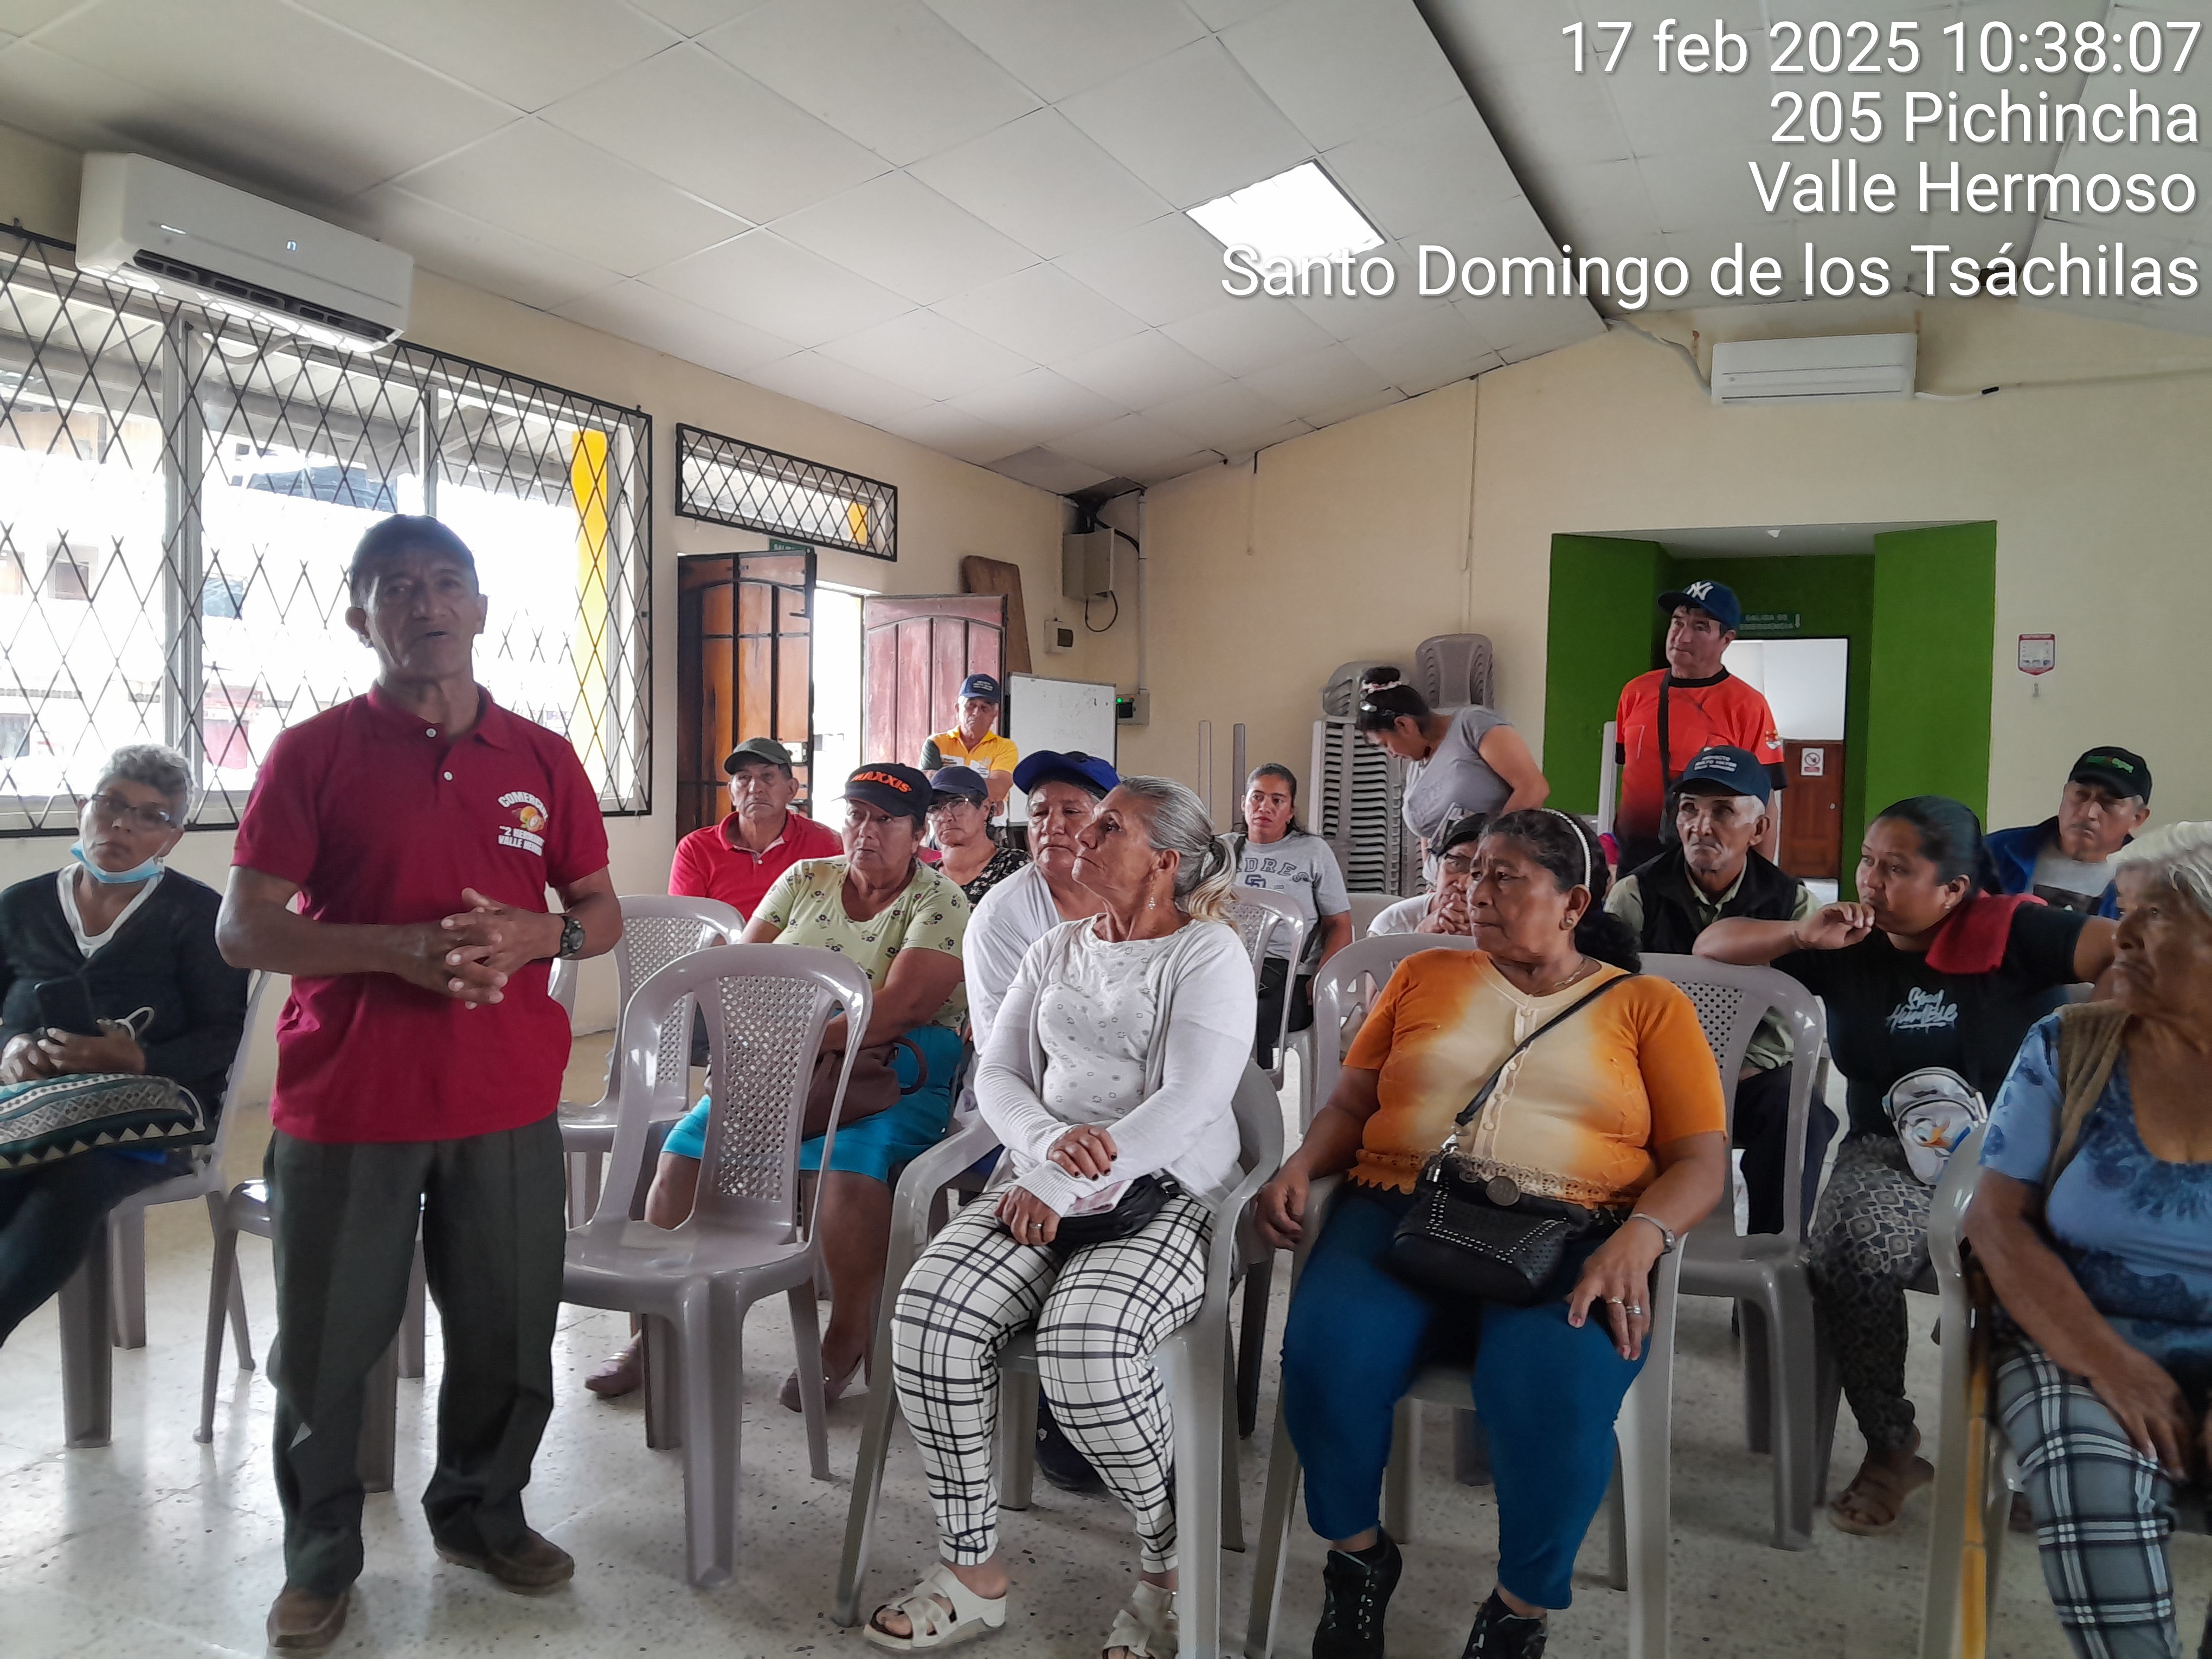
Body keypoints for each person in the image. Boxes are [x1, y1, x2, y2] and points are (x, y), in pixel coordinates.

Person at [217, 515, 621, 1651]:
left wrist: (543, 936)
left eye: (447, 583)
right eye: (396, 588)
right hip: (349, 1101)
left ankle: (483, 1516)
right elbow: (243, 929)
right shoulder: (313, 753)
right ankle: (320, 1559)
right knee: (326, 1351)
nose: (426, 604)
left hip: (505, 1097)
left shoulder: (542, 758)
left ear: (481, 609)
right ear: (361, 617)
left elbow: (596, 912)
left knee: (507, 1334)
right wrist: (391, 950)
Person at [1256, 808, 1727, 1659]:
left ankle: (1518, 1610)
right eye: (1472, 873)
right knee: (1328, 1358)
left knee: (1552, 1392)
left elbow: (1700, 1160)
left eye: (1505, 877)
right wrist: (1301, 1164)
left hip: (1577, 1236)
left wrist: (1643, 1236)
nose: (1477, 892)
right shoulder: (1422, 975)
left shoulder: (1648, 1006)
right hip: (1399, 1207)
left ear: (1574, 903)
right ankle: (1358, 1561)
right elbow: (1352, 1105)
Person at [864, 777, 1253, 1658]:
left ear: (1164, 862)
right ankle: (971, 1571)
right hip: (1042, 1178)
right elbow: (999, 1074)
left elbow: (1190, 1104)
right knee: (929, 1316)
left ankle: (1169, 1568)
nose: (1081, 832)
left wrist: (1071, 1180)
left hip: (1166, 1191)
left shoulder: (1208, 955)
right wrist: (1046, 1150)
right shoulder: (1057, 946)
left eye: (1109, 826)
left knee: (1086, 1350)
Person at [1695, 797, 2117, 1535]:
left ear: (1954, 889)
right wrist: (1799, 932)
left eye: (1896, 868)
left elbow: (2128, 948)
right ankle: (1892, 1445)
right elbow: (1712, 946)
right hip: (1889, 1153)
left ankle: (2030, 1451)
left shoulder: (2011, 932)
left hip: (2013, 1160)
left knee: (2057, 1258)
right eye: (1867, 861)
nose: (1871, 880)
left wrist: (2086, 1046)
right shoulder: (1847, 940)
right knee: (1850, 1247)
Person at [641, 763, 967, 1413]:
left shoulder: (939, 900)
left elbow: (901, 1008)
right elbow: (738, 969)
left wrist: (797, 1039)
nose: (865, 831)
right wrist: (776, 1043)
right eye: (856, 815)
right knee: (683, 1154)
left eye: (886, 820)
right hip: (785, 1062)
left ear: (918, 833)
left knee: (843, 1170)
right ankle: (657, 1328)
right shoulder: (805, 879)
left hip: (891, 1073)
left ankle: (846, 1332)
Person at [1966, 822, 2212, 1659]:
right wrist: (2107, 1360)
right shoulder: (2068, 1046)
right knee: (2092, 1474)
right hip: (2072, 1336)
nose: (2121, 934)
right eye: (2122, 909)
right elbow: (1996, 1219)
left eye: (2155, 916)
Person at [0, 745, 249, 1346]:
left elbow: (224, 1037)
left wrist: (140, 1059)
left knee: (75, 1178)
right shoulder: (21, 908)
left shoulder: (198, 917)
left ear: (173, 838)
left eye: (151, 816)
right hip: (29, 1110)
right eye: (111, 805)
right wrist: (9, 1050)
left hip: (150, 1125)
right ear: (82, 809)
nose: (123, 825)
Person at [960, 748, 1120, 1496]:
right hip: (1034, 1116)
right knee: (1052, 1228)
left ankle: (1122, 1389)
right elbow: (1008, 1057)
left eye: (1072, 811)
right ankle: (1057, 1401)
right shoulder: (1005, 916)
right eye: (1040, 812)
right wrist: (1061, 1144)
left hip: (1133, 1123)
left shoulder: (1152, 904)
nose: (1052, 825)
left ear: (1112, 825)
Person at [1606, 745, 1829, 1235]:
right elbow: (1608, 999)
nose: (1701, 826)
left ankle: (1772, 1249)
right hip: (1651, 1080)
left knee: (1799, 1114)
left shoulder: (1792, 905)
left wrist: (1732, 1072)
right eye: (1689, 809)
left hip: (1749, 1080)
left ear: (1759, 829)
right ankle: (1619, 1242)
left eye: (1723, 811)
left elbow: (1792, 1012)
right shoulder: (1636, 895)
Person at [1611, 580, 1786, 872]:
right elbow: (1630, 779)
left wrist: (1764, 879)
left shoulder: (1748, 705)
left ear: (1726, 640)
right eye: (1678, 622)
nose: (1682, 637)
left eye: (1700, 627)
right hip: (1635, 861)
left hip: (1706, 861)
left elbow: (1765, 803)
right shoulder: (1636, 692)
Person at [1233, 763, 1352, 1069]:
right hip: (1230, 963)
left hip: (1290, 973)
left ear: (1290, 811)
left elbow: (1340, 925)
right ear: (1244, 803)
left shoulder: (1312, 851)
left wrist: (1321, 978)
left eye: (1277, 800)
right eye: (1257, 797)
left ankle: (1257, 1094)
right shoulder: (1223, 851)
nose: (1265, 807)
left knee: (1251, 1020)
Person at [1355, 684, 1548, 870]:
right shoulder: (1416, 768)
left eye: (1386, 744)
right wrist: (1434, 879)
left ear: (1404, 725)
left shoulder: (1472, 724)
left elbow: (1533, 788)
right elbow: (1431, 833)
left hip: (1490, 870)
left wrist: (1489, 852)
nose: (1392, 754)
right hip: (1446, 880)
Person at [668, 735, 841, 918]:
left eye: (767, 777)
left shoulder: (827, 845)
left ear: (791, 789)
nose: (754, 788)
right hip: (722, 939)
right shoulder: (696, 849)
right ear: (731, 793)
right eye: (744, 778)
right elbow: (686, 926)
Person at [1986, 745, 2154, 919]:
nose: (2087, 813)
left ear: (2138, 818)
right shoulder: (1993, 853)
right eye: (2081, 795)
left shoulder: (2154, 886)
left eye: (2108, 802)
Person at [1366, 816, 1488, 937]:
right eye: (1455, 864)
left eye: (1479, 874)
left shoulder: (1498, 927)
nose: (1464, 885)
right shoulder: (1394, 924)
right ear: (1438, 867)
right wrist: (1420, 936)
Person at [927, 767, 1028, 903]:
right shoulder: (924, 878)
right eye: (935, 808)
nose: (945, 817)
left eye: (957, 803)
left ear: (985, 809)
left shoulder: (1014, 867)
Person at [919, 673, 1018, 812]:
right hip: (944, 817)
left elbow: (998, 789)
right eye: (971, 706)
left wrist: (943, 779)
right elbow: (927, 789)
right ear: (957, 709)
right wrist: (982, 792)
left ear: (995, 714)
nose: (977, 713)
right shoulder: (936, 743)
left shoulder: (1005, 747)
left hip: (989, 821)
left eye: (985, 708)